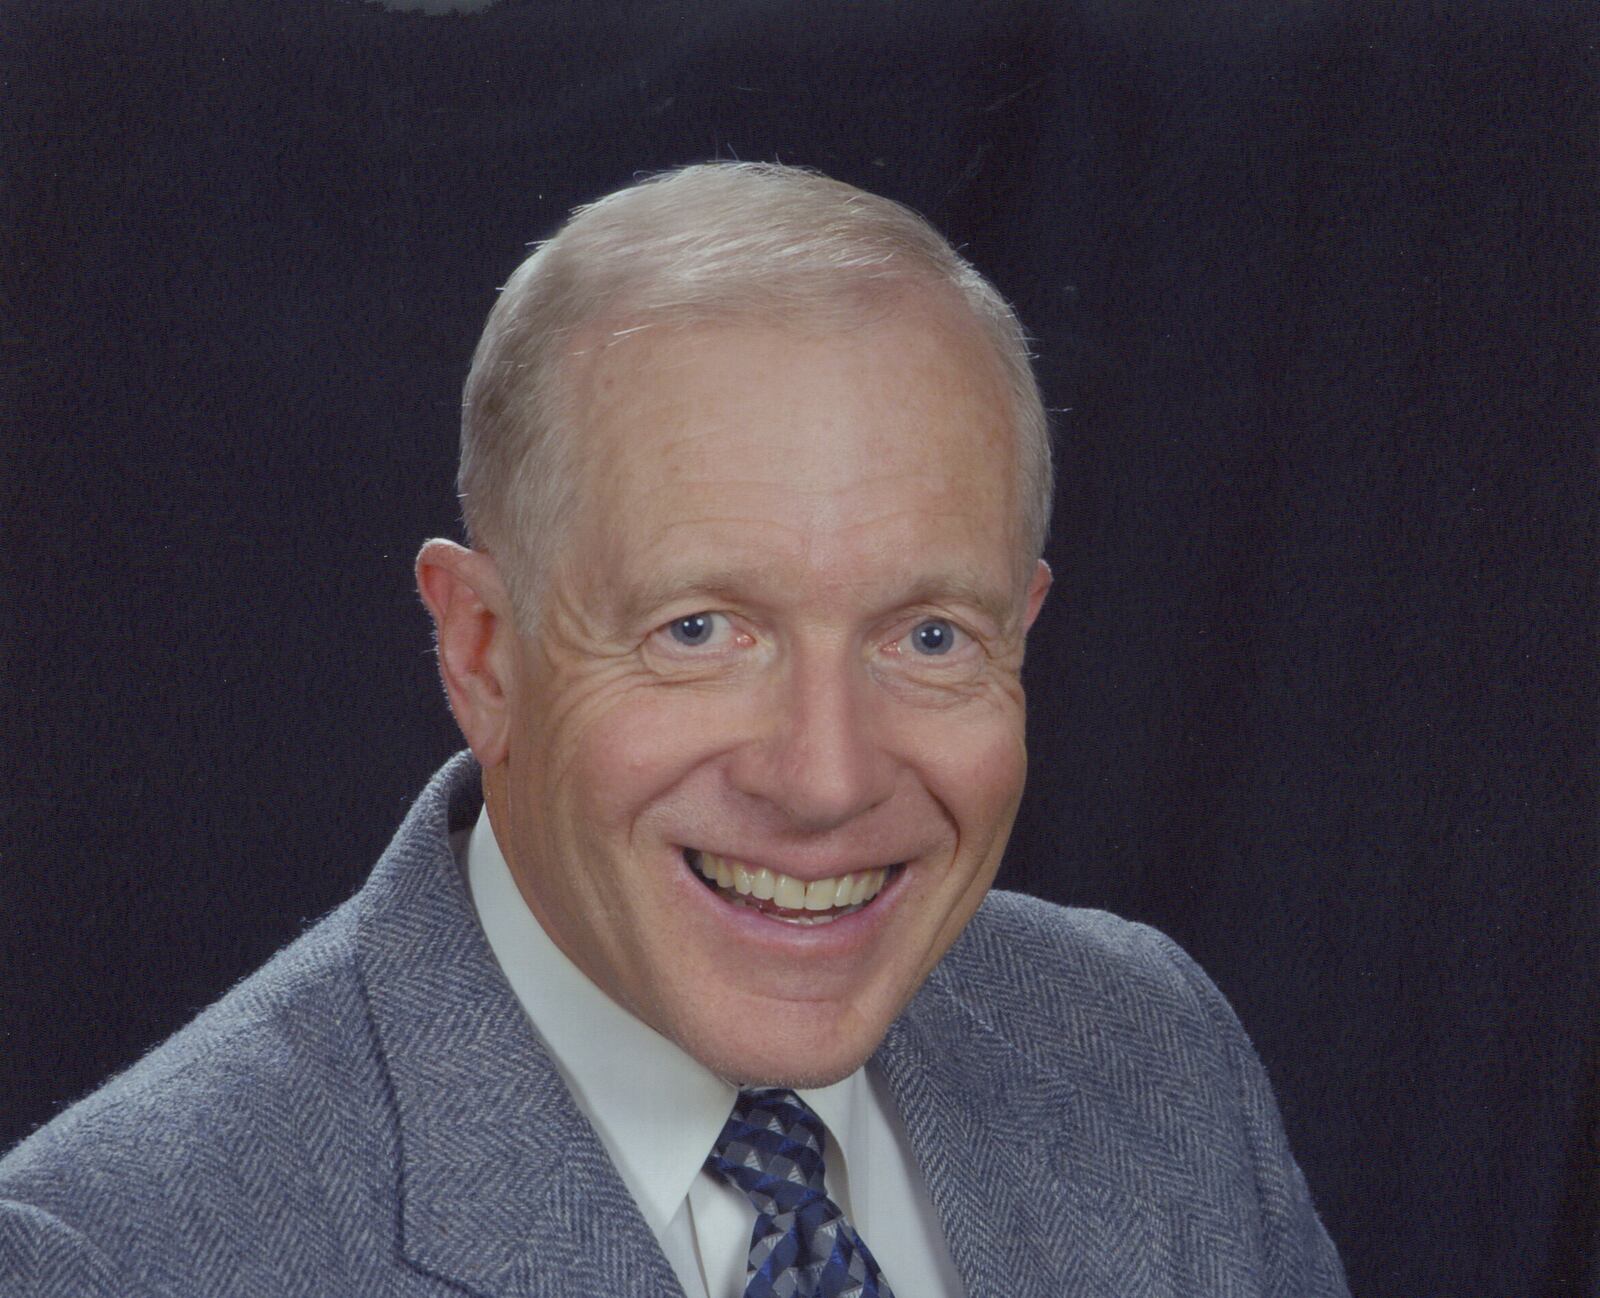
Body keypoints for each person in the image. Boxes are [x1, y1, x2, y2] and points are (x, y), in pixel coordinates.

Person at [0, 163, 1349, 1297]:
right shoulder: (117, 1257)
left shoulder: (1150, 1052)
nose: (825, 778)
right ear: (484, 652)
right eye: (698, 630)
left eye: (930, 637)